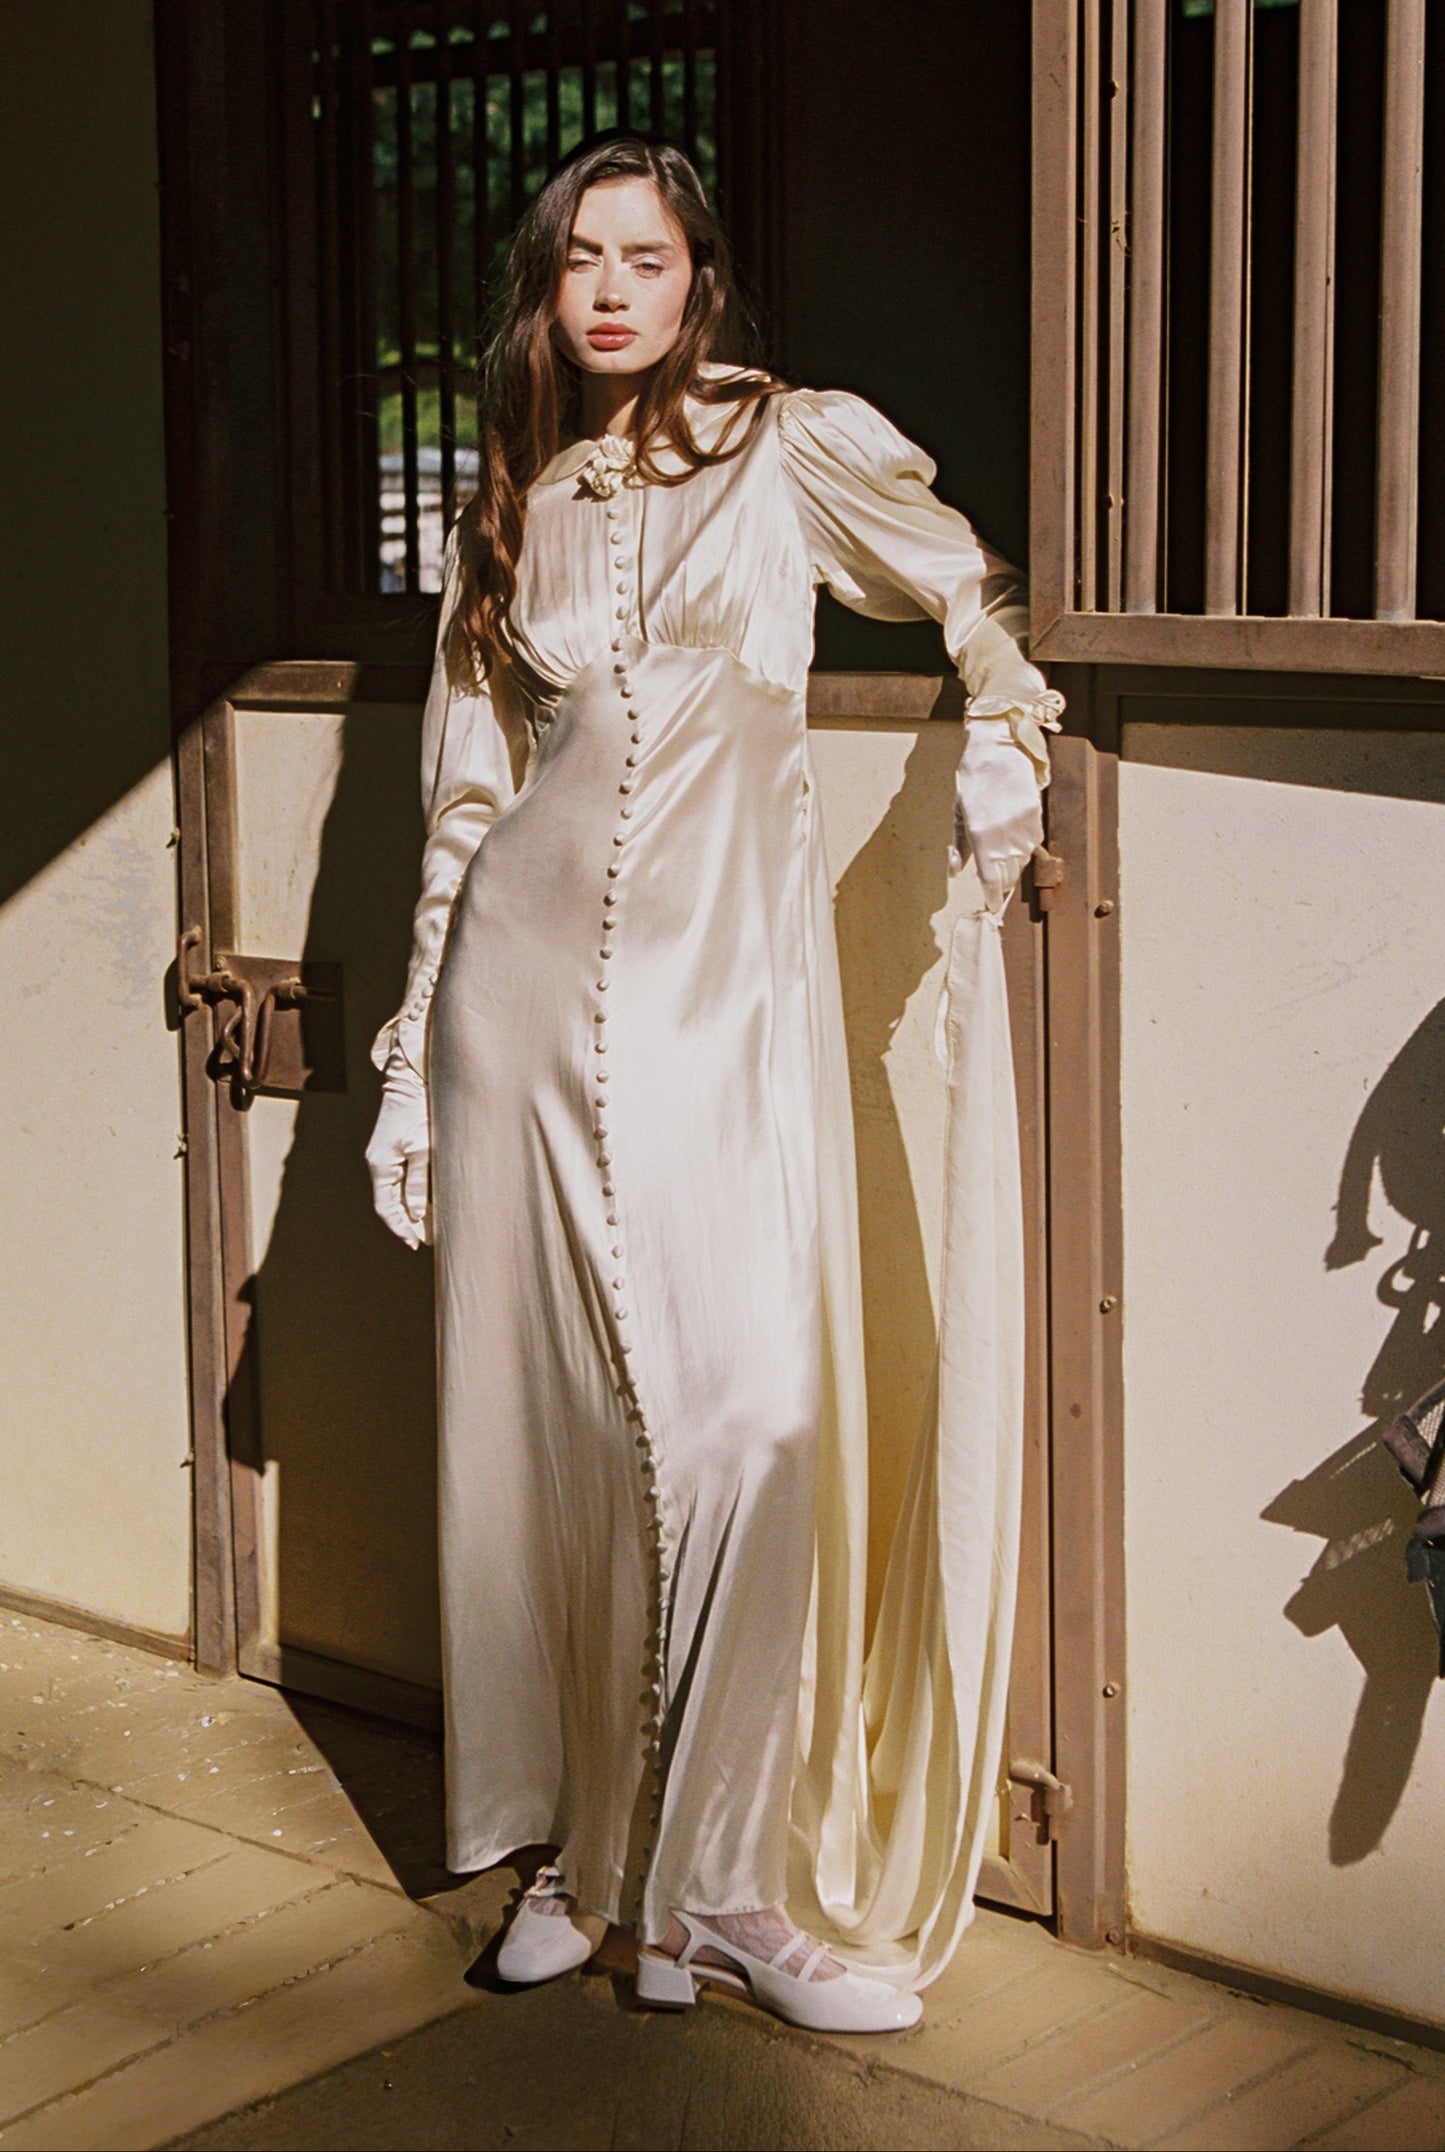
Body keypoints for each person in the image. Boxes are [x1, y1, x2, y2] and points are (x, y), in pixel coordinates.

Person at [366, 136, 1060, 2036]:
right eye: (580, 259)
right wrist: (415, 1054)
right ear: (546, 287)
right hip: (515, 1008)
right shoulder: (508, 508)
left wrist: (1003, 709)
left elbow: (960, 583)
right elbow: (467, 799)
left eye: (646, 259)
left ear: (701, 281)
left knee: (748, 1418)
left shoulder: (784, 446)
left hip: (716, 1013)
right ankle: (585, 1857)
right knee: (561, 1440)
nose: (611, 290)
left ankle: (731, 1892)